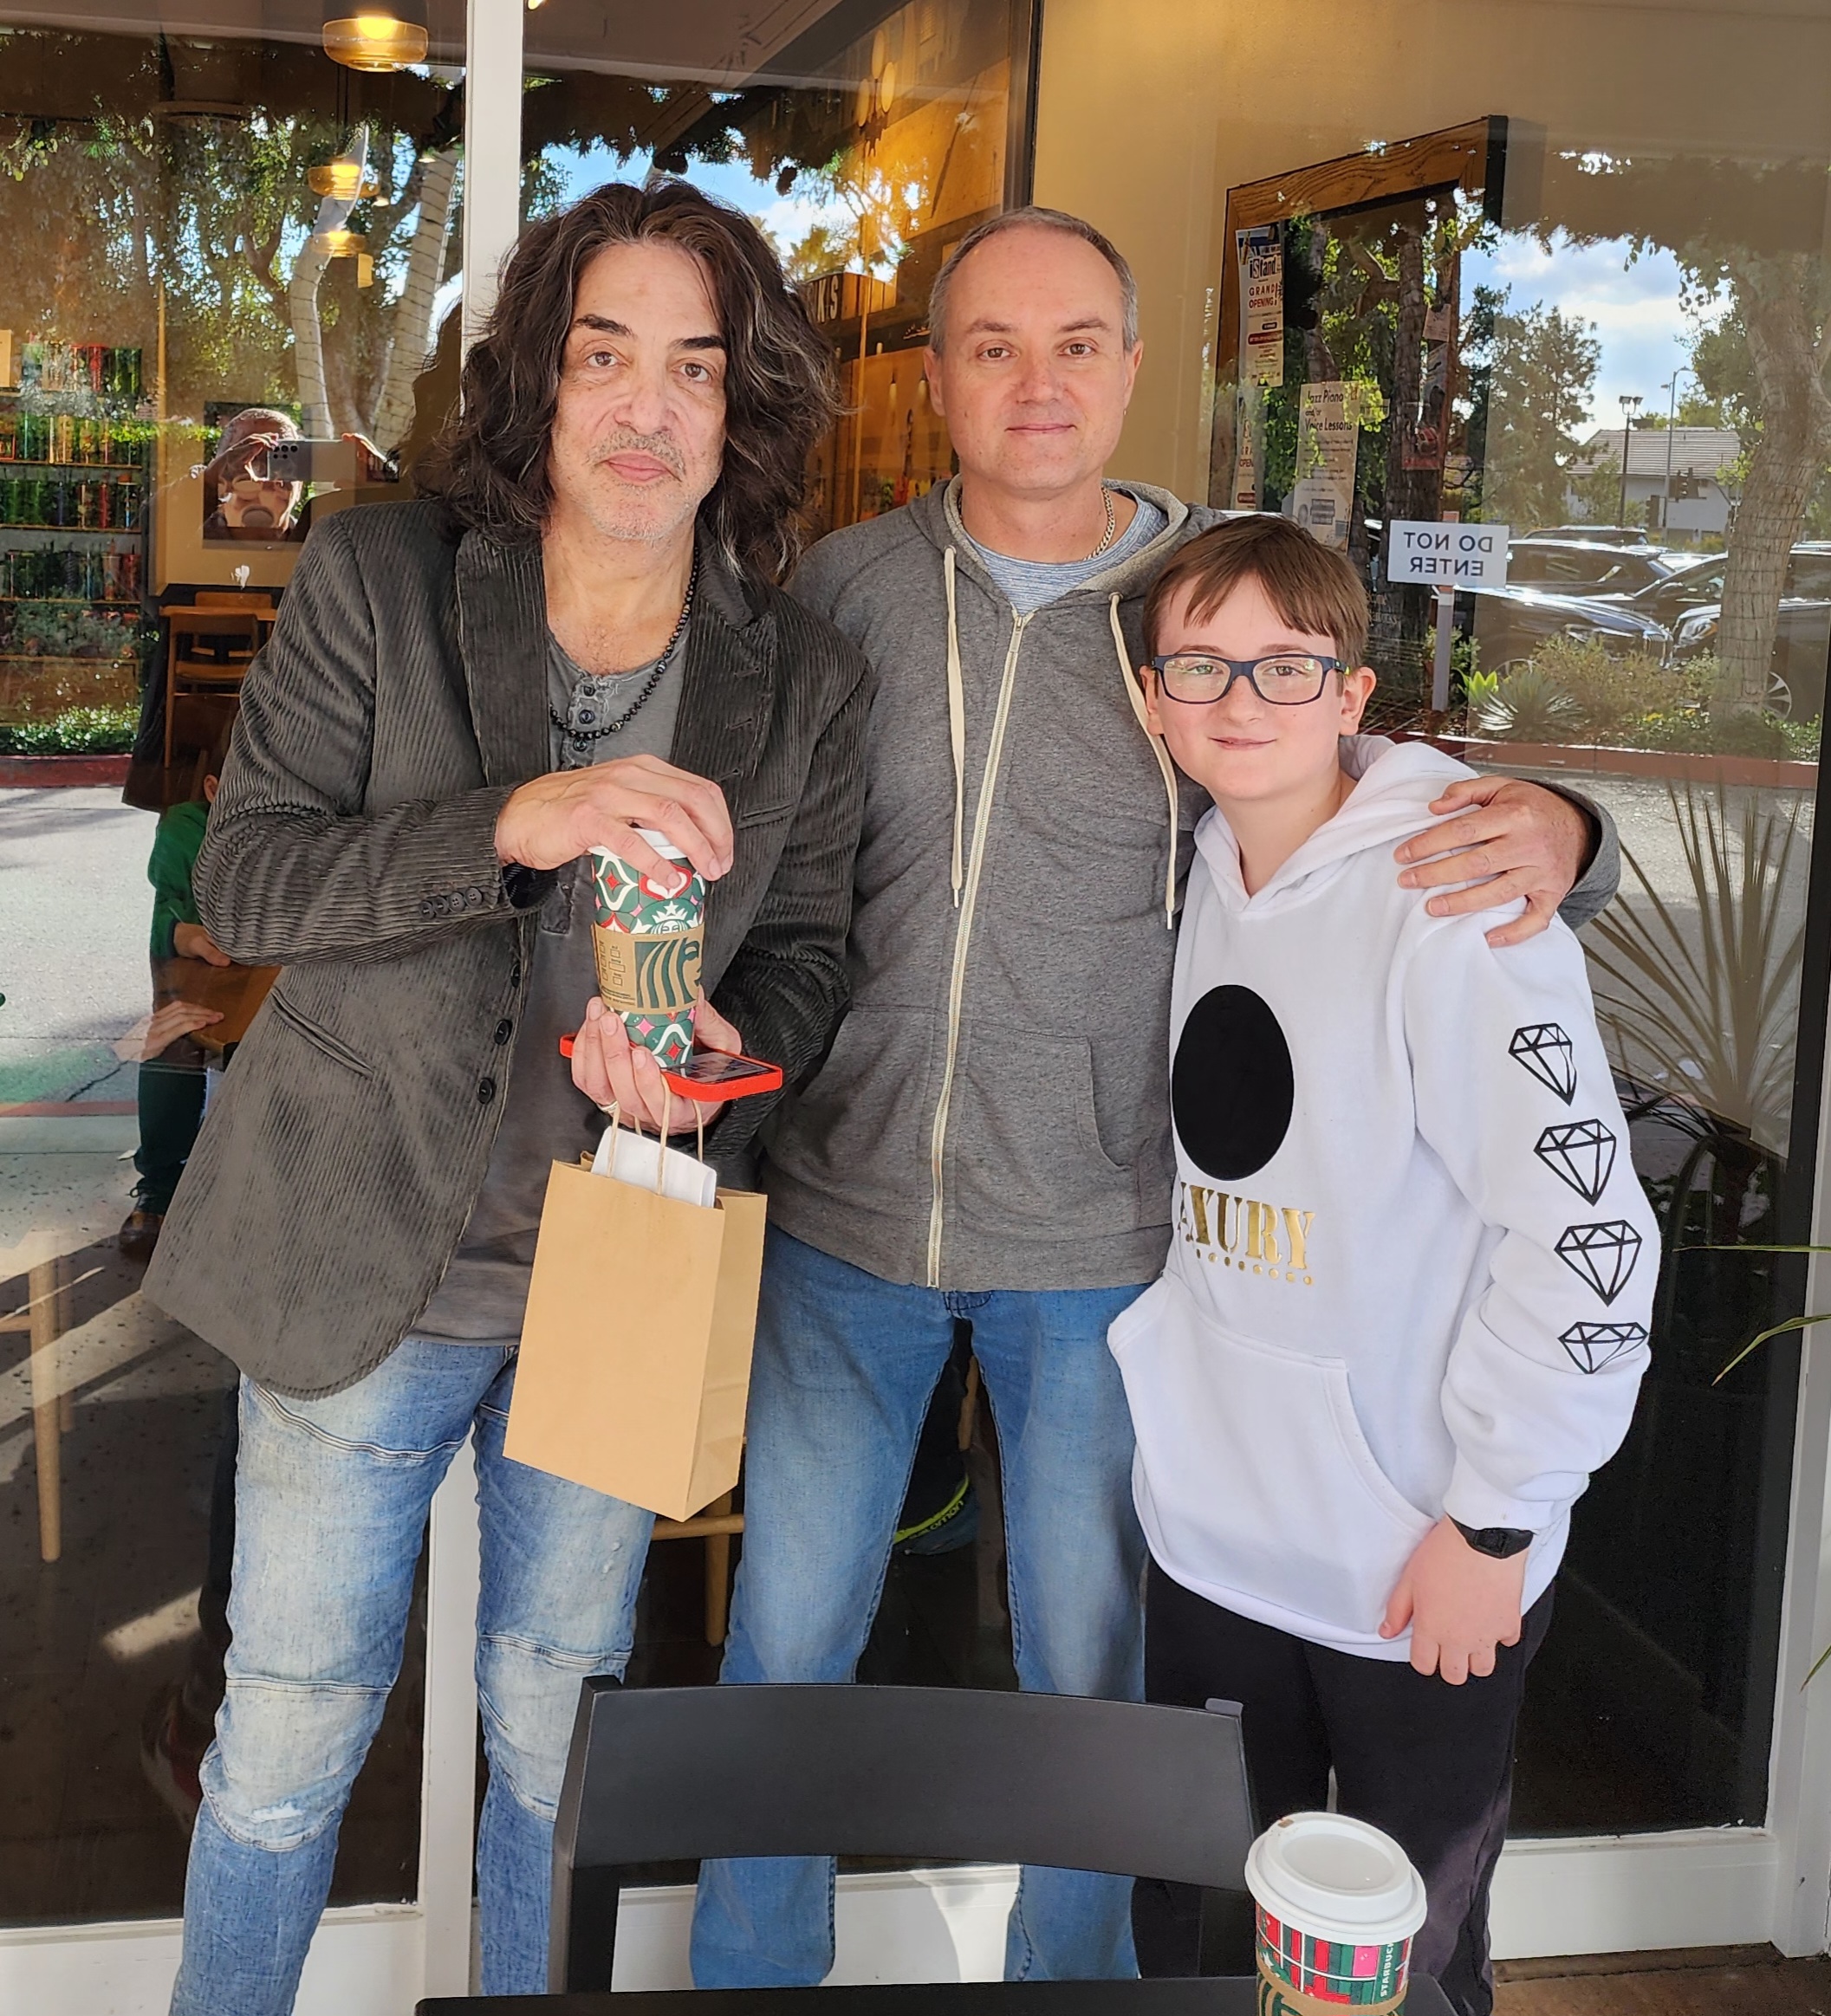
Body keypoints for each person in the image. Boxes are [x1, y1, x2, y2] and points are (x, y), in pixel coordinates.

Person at [690, 204, 1624, 1987]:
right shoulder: (844, 590)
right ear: (934, 376)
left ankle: (1074, 1995)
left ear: (1132, 368)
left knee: (1096, 1687)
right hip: (847, 1218)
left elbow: (1371, 783)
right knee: (782, 1650)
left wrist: (1571, 833)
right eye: (991, 346)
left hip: (1108, 1252)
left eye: (1075, 345)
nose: (1035, 384)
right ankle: (749, 1981)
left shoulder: (1208, 606)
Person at [143, 178, 871, 2013]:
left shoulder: (798, 674)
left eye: (694, 367)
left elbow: (805, 950)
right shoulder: (381, 576)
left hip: (612, 1267)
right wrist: (517, 820)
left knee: (561, 1739)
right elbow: (249, 883)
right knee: (285, 1741)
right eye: (605, 354)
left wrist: (713, 1070)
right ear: (541, 378)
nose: (647, 407)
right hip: (357, 1246)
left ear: (742, 406)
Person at [1114, 515, 1656, 2014]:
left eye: (1285, 666)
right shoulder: (1201, 867)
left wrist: (1495, 1517)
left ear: (1351, 692)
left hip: (1420, 1566)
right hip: (1216, 1544)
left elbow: (1588, 1236)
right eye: (1200, 665)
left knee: (1401, 1969)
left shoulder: (1456, 896)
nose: (1240, 700)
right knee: (1198, 1946)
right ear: (1154, 697)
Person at [120, 720, 235, 1261]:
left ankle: (250, 1178)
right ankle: (160, 1185)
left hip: (285, 975)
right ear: (213, 789)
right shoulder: (186, 829)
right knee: (171, 1037)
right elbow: (165, 922)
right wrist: (187, 935)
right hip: (207, 973)